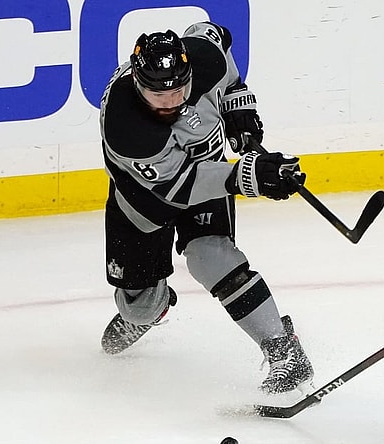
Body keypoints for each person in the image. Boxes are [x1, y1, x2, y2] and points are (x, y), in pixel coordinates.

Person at [98, 21, 314, 395]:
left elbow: (218, 41)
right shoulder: (125, 125)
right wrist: (249, 177)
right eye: (159, 96)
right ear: (138, 85)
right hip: (144, 201)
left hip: (207, 176)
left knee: (211, 258)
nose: (172, 102)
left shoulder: (203, 58)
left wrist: (238, 108)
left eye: (180, 90)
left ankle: (284, 350)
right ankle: (152, 309)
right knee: (139, 308)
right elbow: (179, 186)